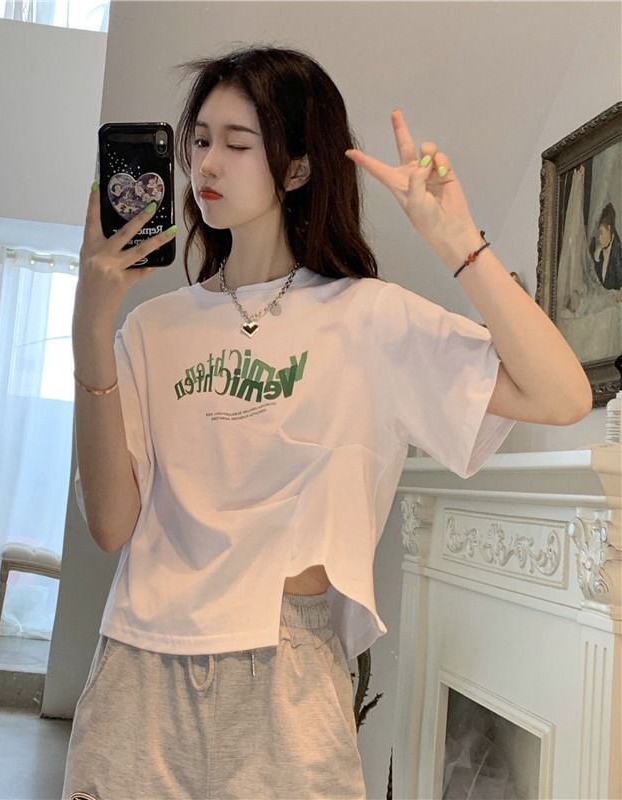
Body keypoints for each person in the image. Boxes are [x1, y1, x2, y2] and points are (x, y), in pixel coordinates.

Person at [62, 45, 592, 800]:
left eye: (238, 143)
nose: (207, 163)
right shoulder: (153, 329)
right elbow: (111, 525)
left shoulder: (368, 318)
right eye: (200, 140)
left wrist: (458, 242)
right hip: (137, 672)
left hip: (287, 681)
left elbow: (562, 396)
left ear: (297, 168)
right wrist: (91, 326)